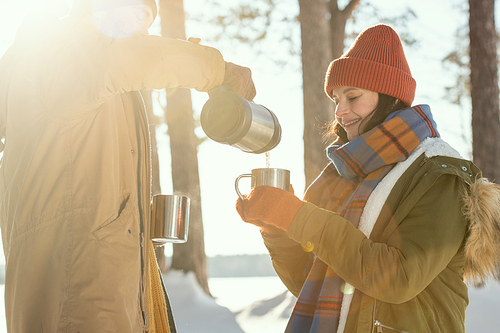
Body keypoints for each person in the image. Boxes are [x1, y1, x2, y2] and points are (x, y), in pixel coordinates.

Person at [0, 0, 255, 332]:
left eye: (147, 22)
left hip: (91, 284)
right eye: (134, 14)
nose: (141, 31)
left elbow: (79, 183)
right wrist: (217, 69)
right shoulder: (64, 52)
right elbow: (128, 59)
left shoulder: (87, 84)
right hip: (78, 290)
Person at [236, 24, 500, 333]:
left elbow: (398, 278)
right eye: (336, 99)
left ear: (388, 96)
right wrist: (277, 229)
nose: (340, 111)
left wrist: (296, 215)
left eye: (353, 97)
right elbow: (310, 283)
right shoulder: (340, 173)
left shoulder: (440, 175)